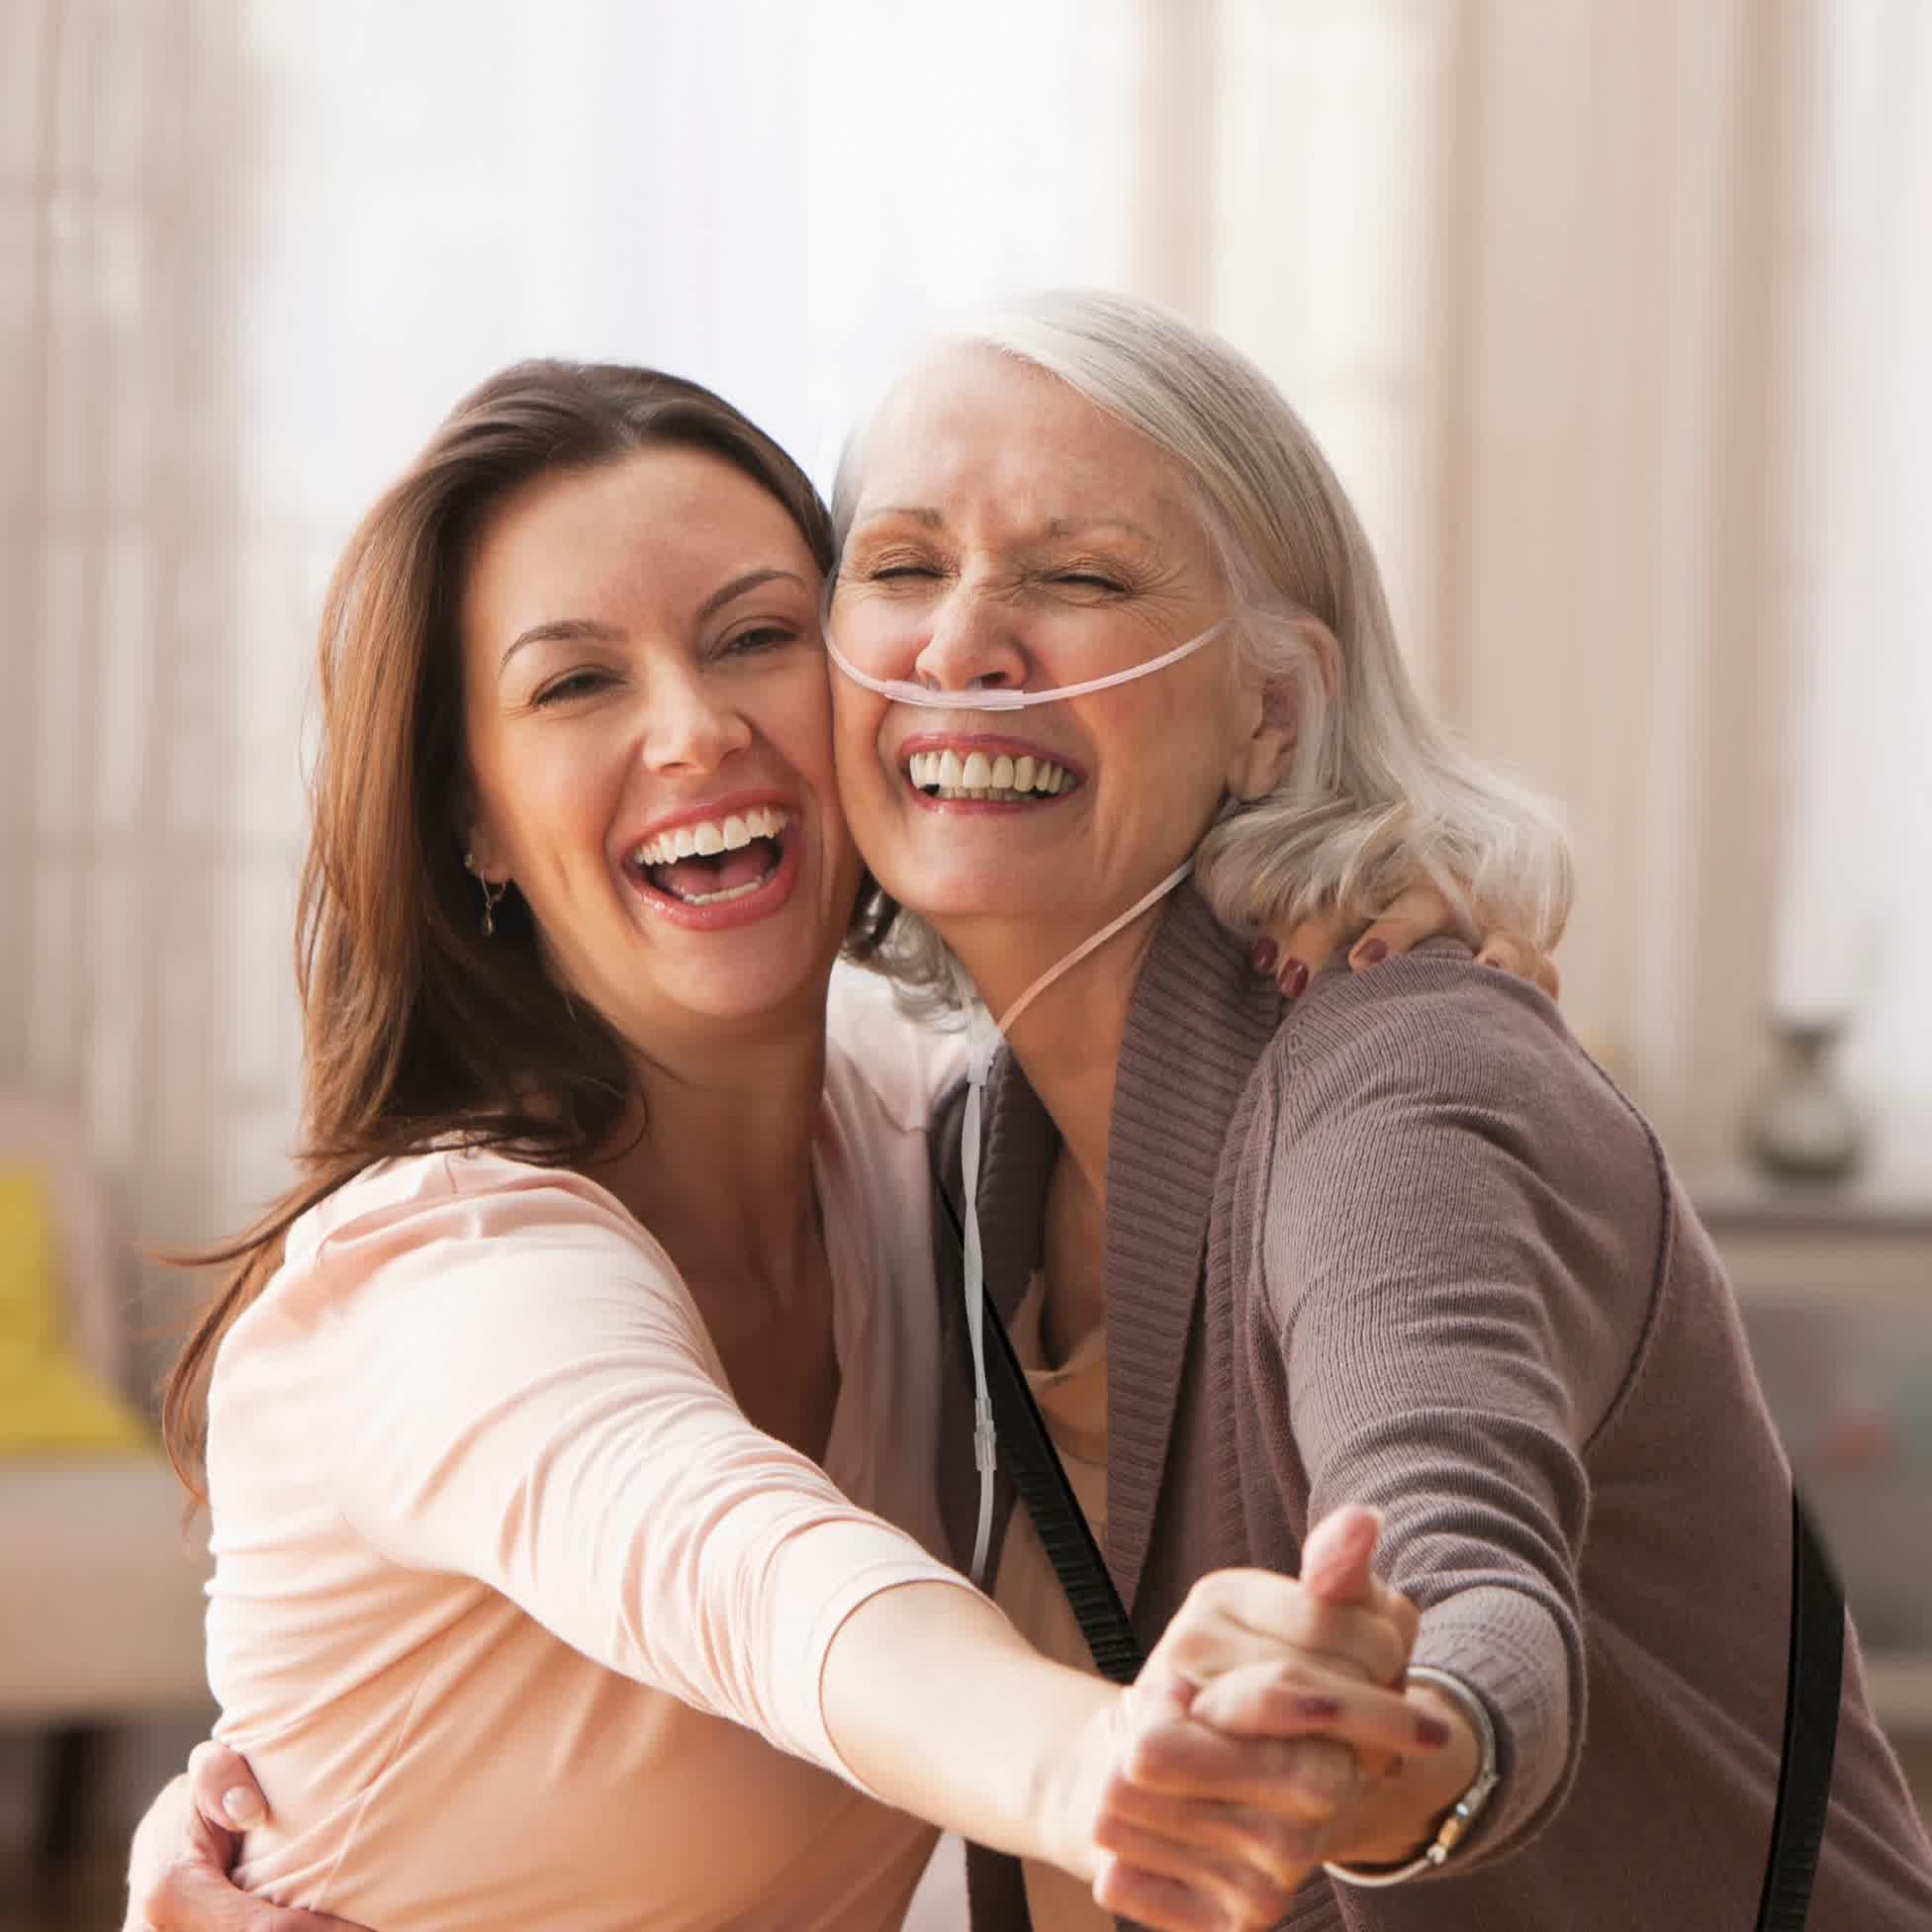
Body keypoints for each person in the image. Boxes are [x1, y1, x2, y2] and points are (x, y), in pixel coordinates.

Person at [123, 358, 1535, 1932]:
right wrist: (1096, 1765)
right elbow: (745, 1572)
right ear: (473, 817)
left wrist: (1386, 908)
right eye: (575, 683)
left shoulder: (926, 1136)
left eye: (757, 637)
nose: (694, 728)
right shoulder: (441, 1274)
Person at [814, 288, 1932, 1927]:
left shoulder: (1400, 1082)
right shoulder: (960, 1145)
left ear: (1271, 709)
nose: (963, 641)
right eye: (903, 566)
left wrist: (1400, 1731)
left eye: (1077, 578)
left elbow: (1448, 1546)